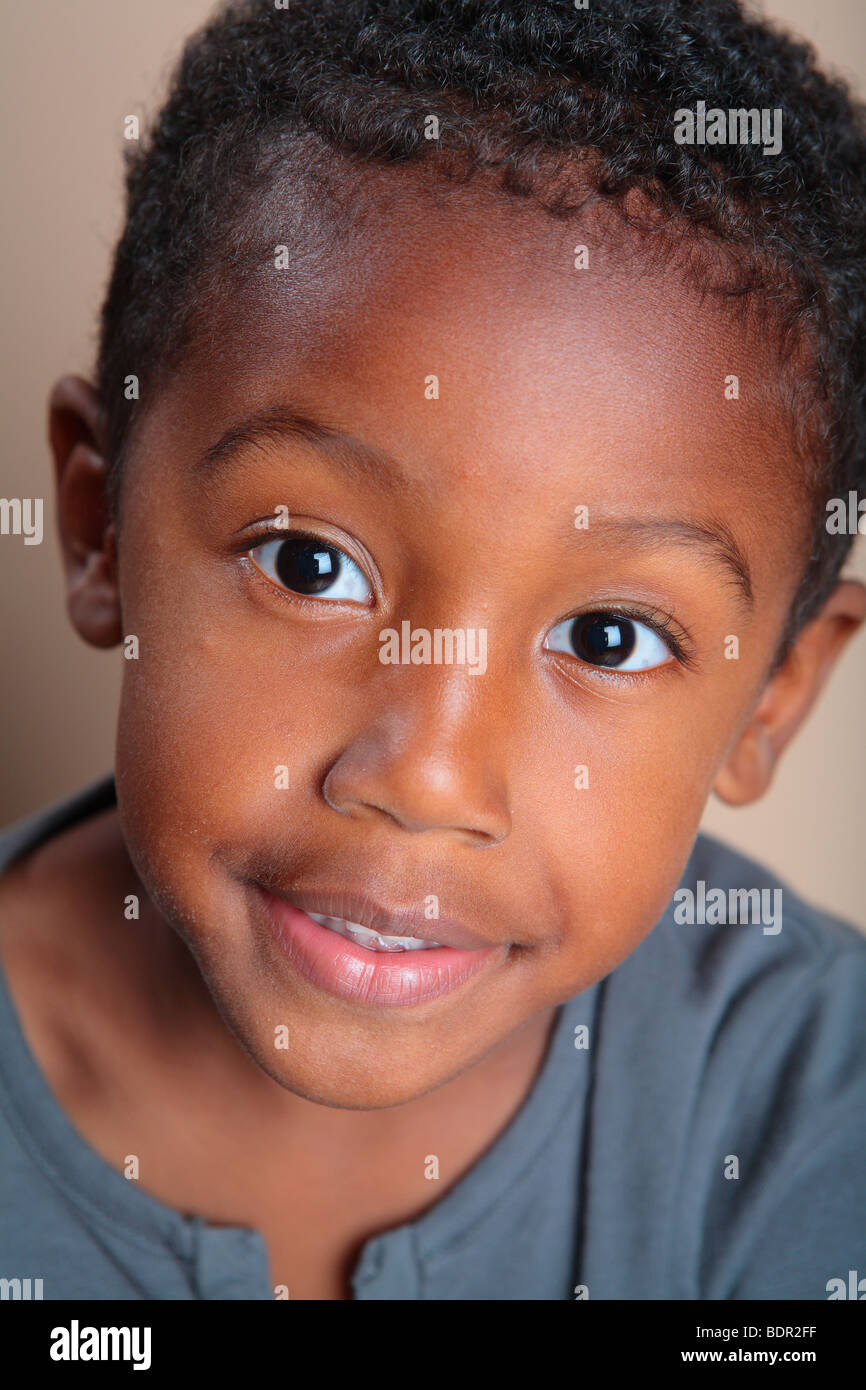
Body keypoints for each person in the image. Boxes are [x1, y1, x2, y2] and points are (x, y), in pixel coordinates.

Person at [1, 0, 865, 1300]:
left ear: (772, 698)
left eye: (608, 635)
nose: (428, 776)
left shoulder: (810, 1097)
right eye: (308, 563)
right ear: (98, 526)